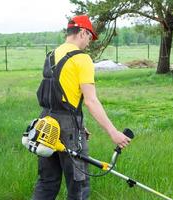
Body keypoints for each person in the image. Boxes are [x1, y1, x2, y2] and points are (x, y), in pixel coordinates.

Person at [32, 15, 131, 200]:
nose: (89, 43)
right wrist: (113, 132)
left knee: (47, 182)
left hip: (45, 124)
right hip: (67, 128)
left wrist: (78, 122)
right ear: (83, 32)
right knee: (79, 186)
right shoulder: (82, 59)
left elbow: (58, 93)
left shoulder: (51, 55)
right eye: (89, 38)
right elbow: (91, 101)